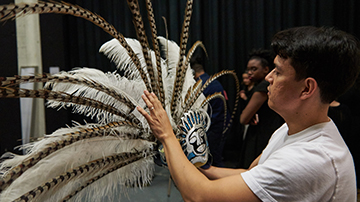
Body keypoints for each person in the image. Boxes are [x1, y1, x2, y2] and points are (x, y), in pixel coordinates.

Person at [137, 26, 359, 201]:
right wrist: (205, 167)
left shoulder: (309, 160)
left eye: (278, 72)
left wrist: (166, 135)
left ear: (307, 88)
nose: (268, 77)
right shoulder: (292, 129)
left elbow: (200, 196)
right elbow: (250, 174)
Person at [238, 49, 284, 168]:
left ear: (266, 69)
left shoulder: (263, 87)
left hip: (261, 136)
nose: (249, 72)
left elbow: (243, 119)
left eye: (254, 69)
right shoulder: (261, 86)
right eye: (248, 69)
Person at [190, 55, 230, 167]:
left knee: (213, 160)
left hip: (214, 126)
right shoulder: (212, 81)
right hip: (221, 123)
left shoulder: (200, 86)